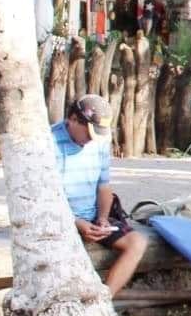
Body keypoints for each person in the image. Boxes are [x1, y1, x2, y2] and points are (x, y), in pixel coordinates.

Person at [54, 93, 148, 295]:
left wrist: (103, 219)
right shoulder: (49, 143)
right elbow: (46, 199)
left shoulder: (99, 142)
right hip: (59, 221)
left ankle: (104, 300)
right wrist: (75, 223)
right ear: (73, 119)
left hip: (94, 219)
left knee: (137, 242)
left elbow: (104, 187)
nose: (91, 139)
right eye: (88, 132)